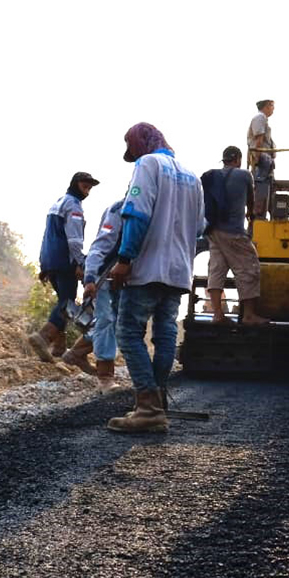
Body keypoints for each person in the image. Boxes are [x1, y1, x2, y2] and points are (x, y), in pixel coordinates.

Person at [106, 122, 204, 433]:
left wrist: (124, 259)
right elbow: (201, 228)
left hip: (147, 268)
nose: (131, 155)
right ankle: (156, 402)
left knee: (128, 332)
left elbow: (137, 213)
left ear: (141, 143)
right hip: (178, 272)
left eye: (131, 148)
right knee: (164, 335)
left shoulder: (148, 164)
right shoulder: (192, 177)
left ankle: (147, 408)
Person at [29, 171, 99, 362]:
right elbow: (74, 240)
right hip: (64, 260)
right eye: (85, 187)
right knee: (67, 302)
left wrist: (44, 264)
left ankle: (58, 349)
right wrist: (80, 262)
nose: (88, 191)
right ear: (75, 184)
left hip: (49, 259)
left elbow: (48, 236)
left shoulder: (57, 203)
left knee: (62, 300)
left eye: (90, 188)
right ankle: (43, 336)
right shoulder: (74, 206)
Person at [201, 146, 268, 325]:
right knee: (249, 267)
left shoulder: (212, 175)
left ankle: (217, 314)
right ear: (238, 159)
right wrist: (251, 214)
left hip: (213, 231)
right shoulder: (245, 175)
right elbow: (251, 202)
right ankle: (249, 315)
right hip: (234, 232)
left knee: (217, 269)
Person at [73, 198, 125, 391]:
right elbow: (100, 246)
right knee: (106, 321)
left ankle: (77, 352)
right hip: (105, 275)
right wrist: (90, 278)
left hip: (131, 279)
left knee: (121, 324)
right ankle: (105, 377)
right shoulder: (119, 209)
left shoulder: (158, 208)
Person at [247, 99, 276, 218]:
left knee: (267, 189)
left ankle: (262, 215)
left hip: (265, 160)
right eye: (272, 106)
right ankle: (259, 217)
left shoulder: (263, 119)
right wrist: (257, 159)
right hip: (261, 160)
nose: (273, 109)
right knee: (261, 190)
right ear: (267, 106)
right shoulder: (260, 118)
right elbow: (259, 140)